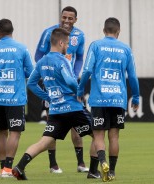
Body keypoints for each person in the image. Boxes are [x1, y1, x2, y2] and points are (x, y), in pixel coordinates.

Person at [12, 28, 99, 180]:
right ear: (60, 42)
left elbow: (31, 84)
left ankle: (20, 166)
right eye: (66, 43)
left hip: (56, 110)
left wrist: (48, 96)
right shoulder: (62, 60)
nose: (67, 47)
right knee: (98, 134)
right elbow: (71, 81)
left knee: (44, 141)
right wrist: (78, 92)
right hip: (73, 108)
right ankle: (93, 171)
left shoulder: (42, 62)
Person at [77, 17, 140, 182]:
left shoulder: (96, 45)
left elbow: (87, 70)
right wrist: (135, 96)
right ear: (118, 31)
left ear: (104, 30)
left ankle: (102, 162)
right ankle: (111, 171)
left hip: (99, 99)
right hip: (118, 99)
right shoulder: (126, 49)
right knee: (114, 137)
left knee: (98, 137)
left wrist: (80, 89)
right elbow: (132, 76)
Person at [34, 6, 88, 173]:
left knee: (77, 124)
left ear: (75, 20)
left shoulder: (79, 35)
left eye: (70, 18)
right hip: (54, 84)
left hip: (70, 83)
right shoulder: (49, 32)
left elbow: (79, 57)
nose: (66, 21)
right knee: (53, 123)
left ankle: (80, 163)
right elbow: (38, 55)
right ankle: (53, 164)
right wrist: (46, 71)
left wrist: (75, 74)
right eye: (64, 17)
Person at [0, 18, 34, 178]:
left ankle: (2, 169)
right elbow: (30, 72)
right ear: (12, 31)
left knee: (1, 133)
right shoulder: (22, 48)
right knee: (15, 133)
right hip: (16, 98)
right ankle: (7, 168)